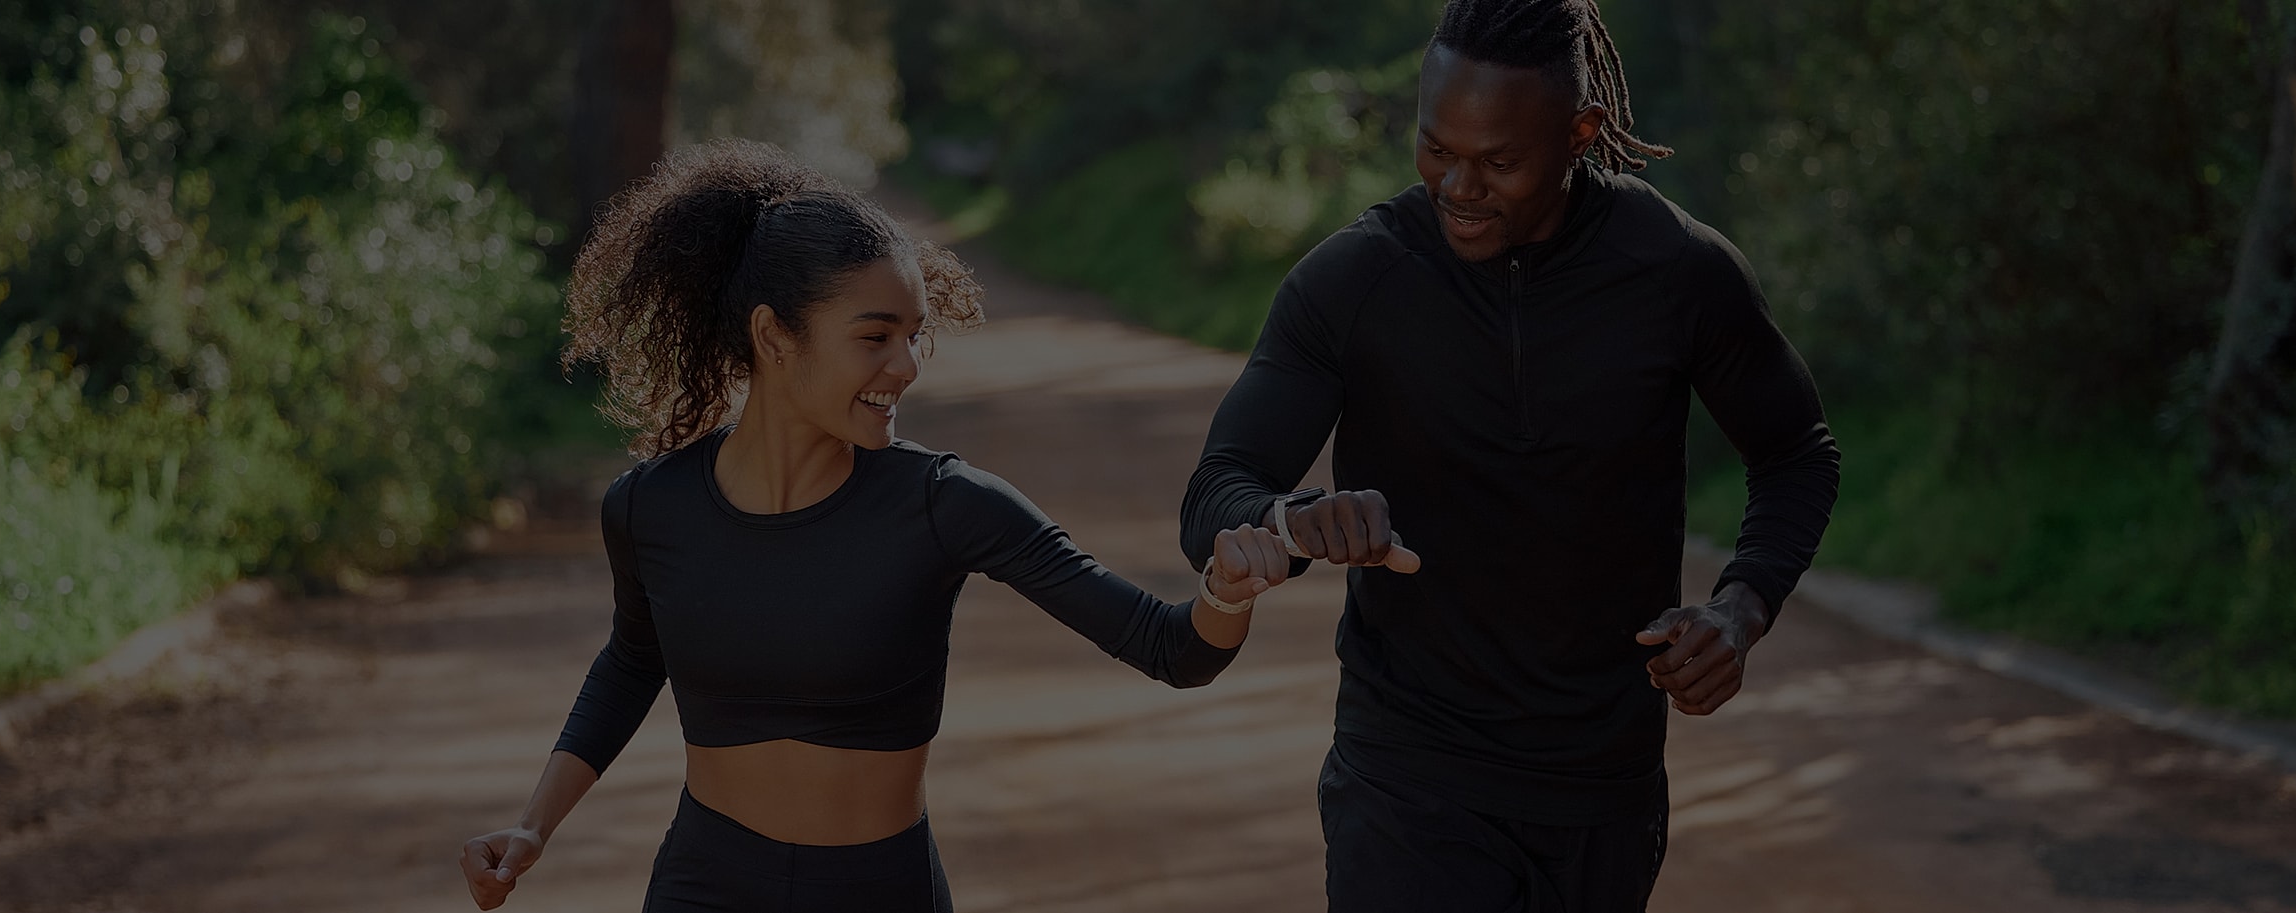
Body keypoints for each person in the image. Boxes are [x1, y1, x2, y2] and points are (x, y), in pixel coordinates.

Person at [457, 139, 1298, 912]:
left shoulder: (945, 502)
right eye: (875, 336)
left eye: (914, 336)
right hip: (704, 884)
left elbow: (1169, 647)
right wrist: (535, 826)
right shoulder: (649, 506)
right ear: (773, 337)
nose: (905, 366)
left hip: (879, 888)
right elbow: (631, 663)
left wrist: (1225, 593)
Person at [1178, 1, 1843, 910]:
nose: (1458, 187)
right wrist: (1290, 519)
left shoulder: (1676, 271)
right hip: (1406, 778)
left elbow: (1797, 451)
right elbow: (1214, 491)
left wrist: (1740, 608)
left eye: (1498, 161)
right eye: (1436, 149)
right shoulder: (1356, 281)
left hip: (1601, 792)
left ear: (1579, 133)